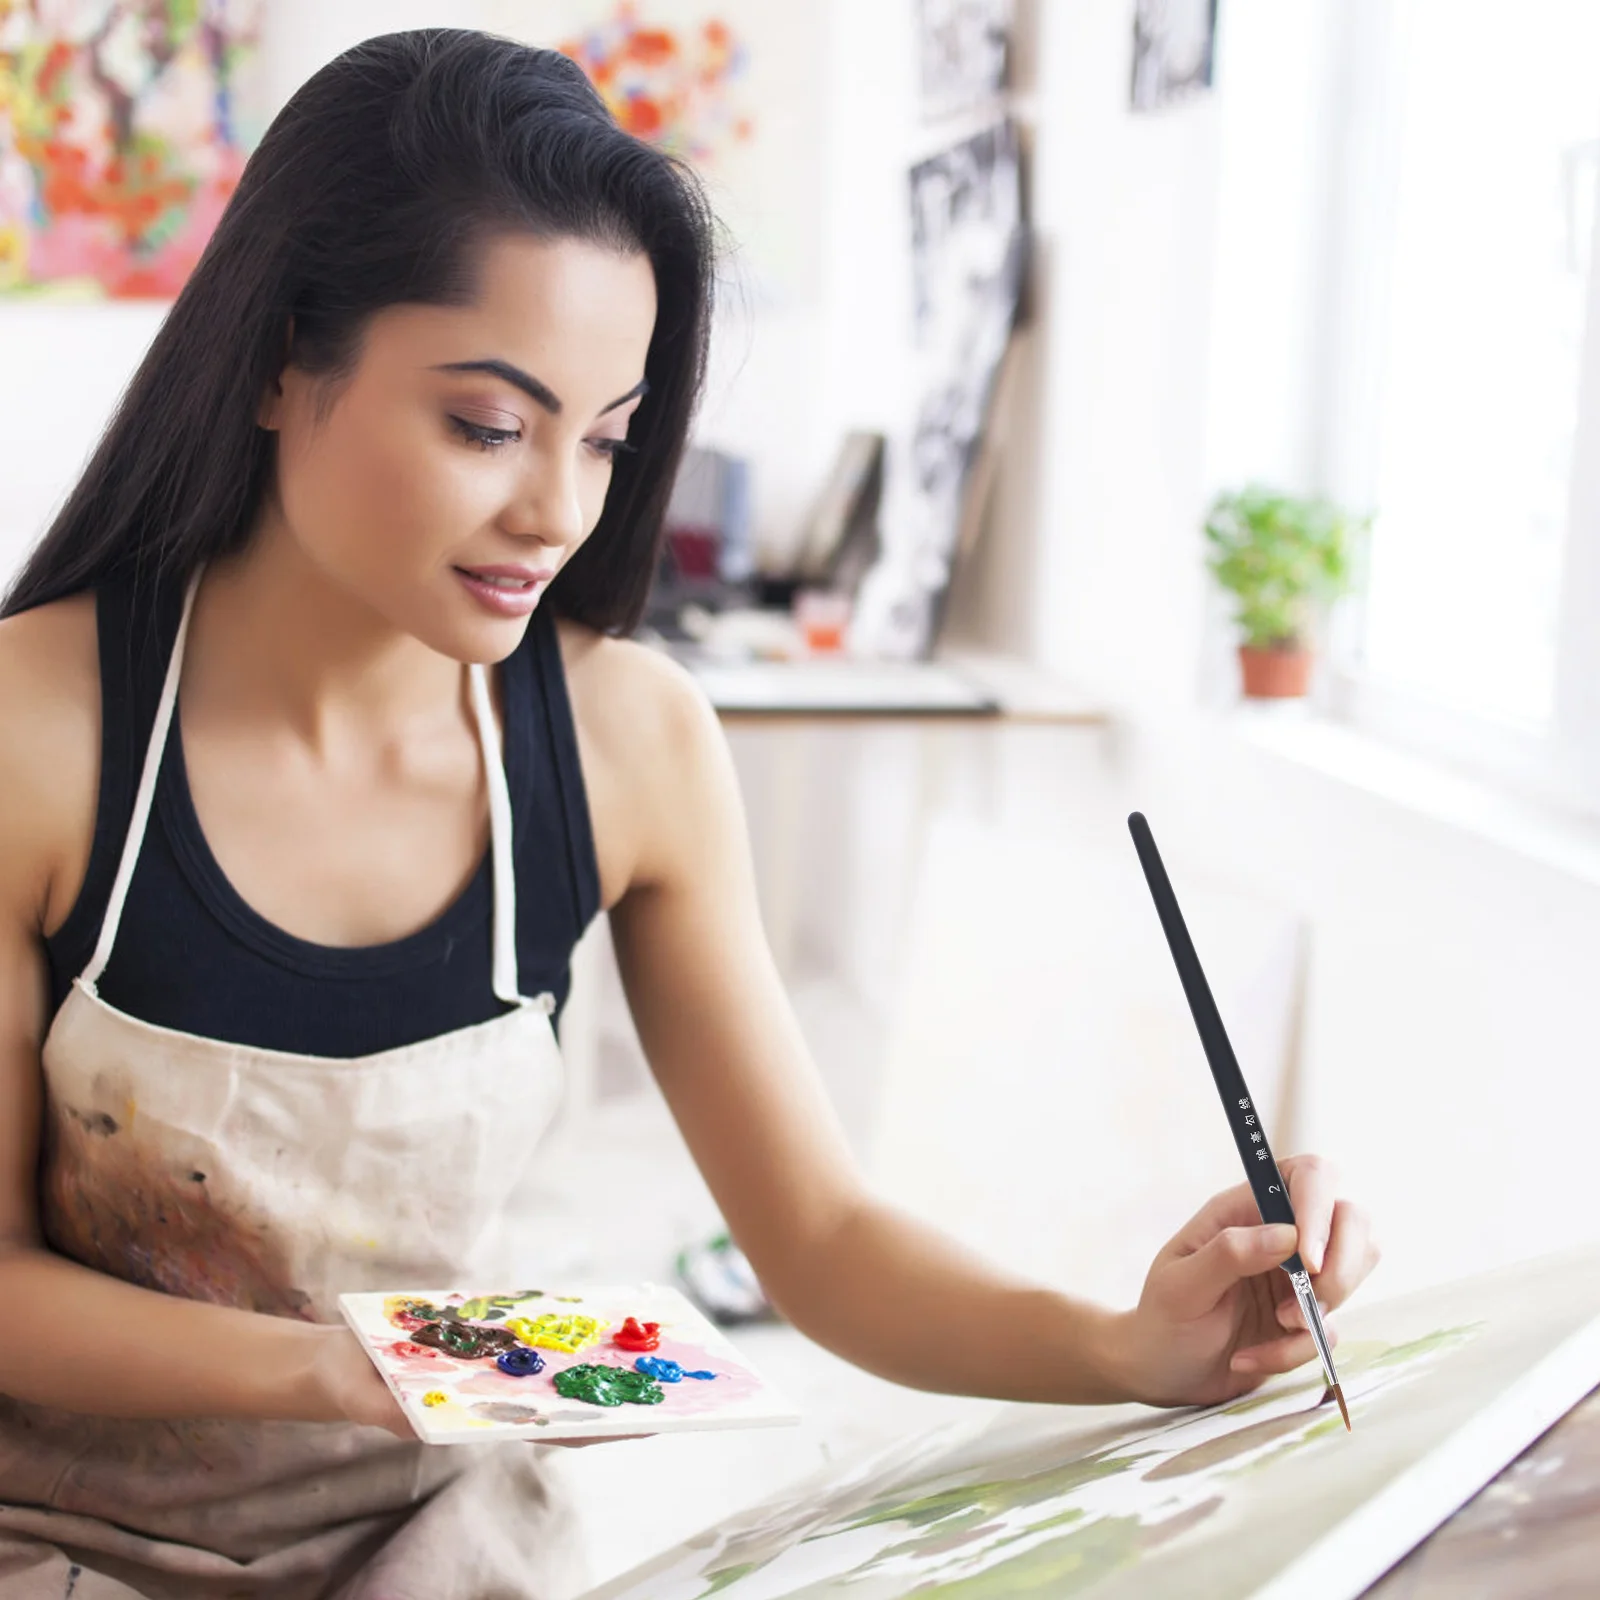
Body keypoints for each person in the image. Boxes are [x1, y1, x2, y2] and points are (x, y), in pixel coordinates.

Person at [0, 27, 1379, 1600]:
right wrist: (337, 1373)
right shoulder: (36, 735)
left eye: (605, 435)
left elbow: (824, 1241)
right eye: (487, 425)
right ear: (273, 362)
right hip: (64, 1542)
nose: (559, 511)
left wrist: (1130, 1343)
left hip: (434, 1543)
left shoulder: (625, 741)